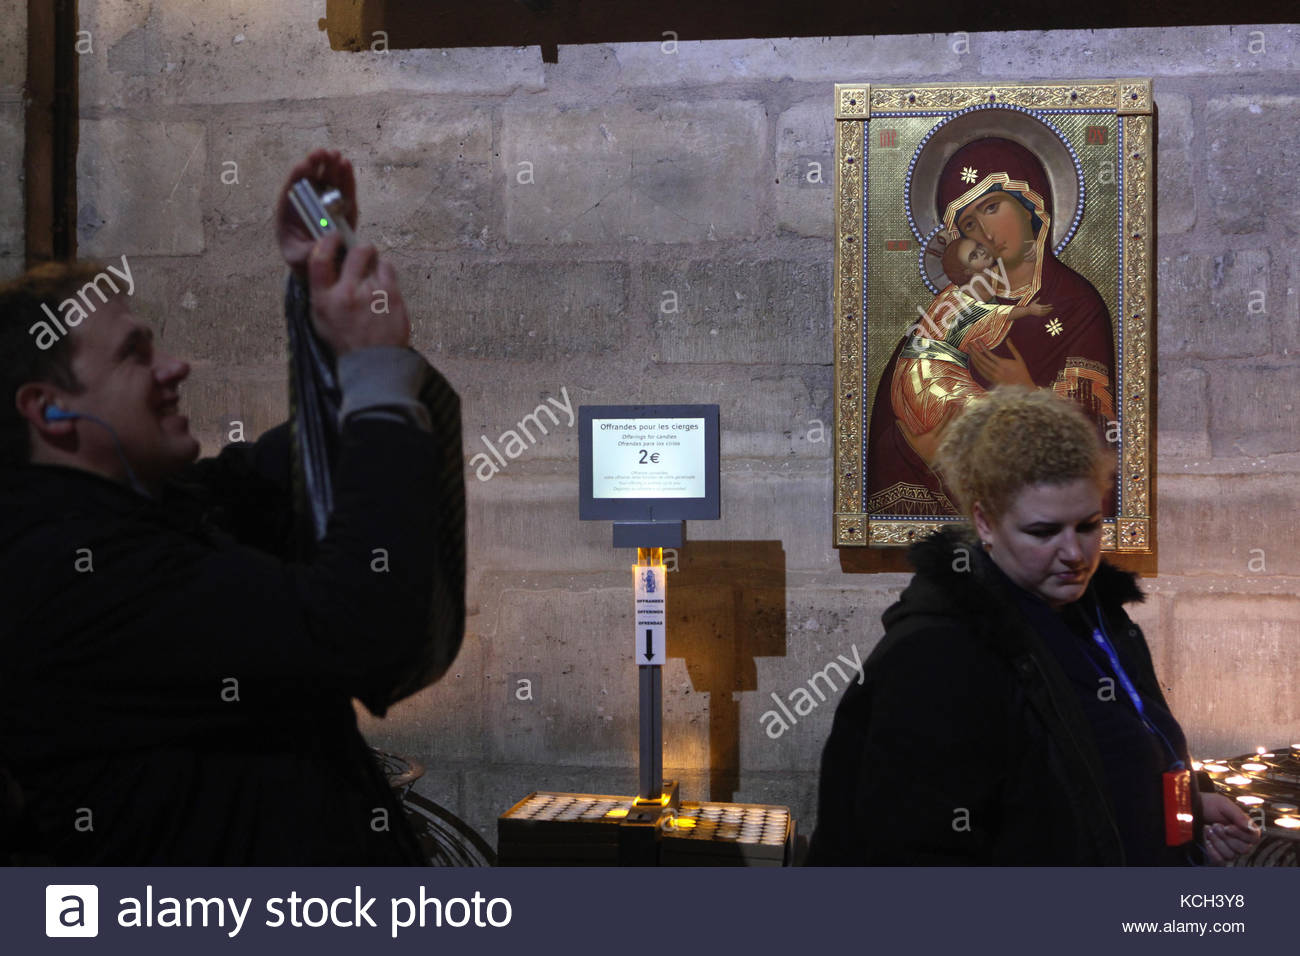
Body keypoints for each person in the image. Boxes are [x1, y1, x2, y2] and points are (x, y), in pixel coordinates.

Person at [0, 150, 465, 864]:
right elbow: (358, 625)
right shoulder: (70, 574)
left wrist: (316, 279)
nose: (173, 368)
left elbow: (298, 471)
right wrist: (373, 374)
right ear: (51, 410)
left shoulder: (155, 511)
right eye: (135, 355)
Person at [809, 387, 1259, 865]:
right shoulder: (936, 654)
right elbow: (917, 854)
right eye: (1044, 532)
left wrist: (1188, 815)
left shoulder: (1100, 616)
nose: (1074, 553)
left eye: (1088, 525)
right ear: (984, 522)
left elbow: (1122, 752)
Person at [866, 137, 1115, 516]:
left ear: (1031, 202)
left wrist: (1027, 392)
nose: (985, 231)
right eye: (969, 222)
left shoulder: (1077, 305)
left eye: (992, 206)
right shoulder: (954, 305)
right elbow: (892, 428)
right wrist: (921, 443)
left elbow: (1099, 431)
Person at [890, 236, 1053, 465]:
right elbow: (987, 314)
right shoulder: (963, 298)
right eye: (974, 255)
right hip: (929, 376)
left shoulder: (967, 287)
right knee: (986, 415)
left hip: (931, 370)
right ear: (966, 271)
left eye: (979, 248)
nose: (982, 253)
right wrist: (1028, 311)